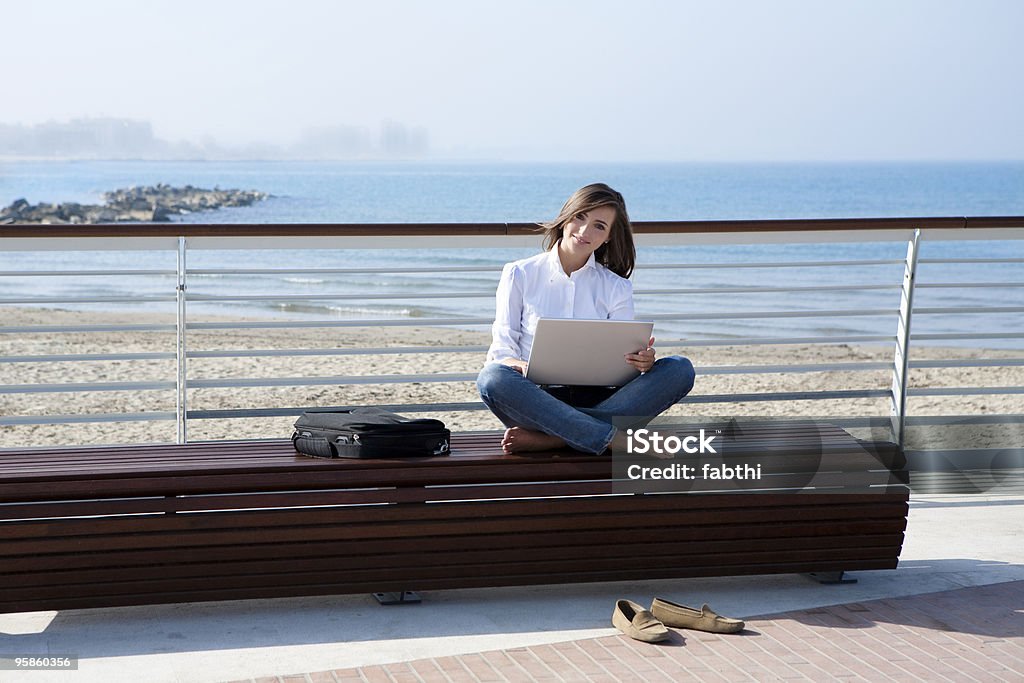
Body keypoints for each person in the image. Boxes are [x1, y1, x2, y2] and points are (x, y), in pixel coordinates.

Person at [476, 183, 695, 454]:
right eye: (580, 217)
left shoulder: (616, 287)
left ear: (609, 237)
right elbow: (500, 352)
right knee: (492, 378)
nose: (584, 231)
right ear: (567, 216)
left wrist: (642, 363)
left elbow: (622, 366)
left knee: (679, 368)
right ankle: (614, 439)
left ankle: (557, 437)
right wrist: (524, 366)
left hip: (600, 397)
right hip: (537, 398)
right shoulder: (519, 274)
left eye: (599, 226)